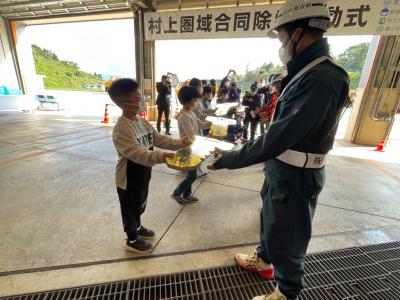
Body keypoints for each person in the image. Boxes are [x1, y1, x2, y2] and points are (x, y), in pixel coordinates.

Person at [208, 0, 350, 299]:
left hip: (297, 175)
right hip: (282, 169)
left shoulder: (321, 78)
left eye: (282, 37)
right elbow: (285, 129)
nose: (281, 44)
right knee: (271, 222)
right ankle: (263, 260)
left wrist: (229, 159)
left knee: (288, 236)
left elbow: (277, 138)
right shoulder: (306, 71)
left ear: (299, 34)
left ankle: (286, 291)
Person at [108, 78, 190, 254]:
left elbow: (157, 138)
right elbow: (137, 154)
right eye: (138, 98)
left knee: (140, 203)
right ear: (125, 104)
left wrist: (179, 143)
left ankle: (137, 228)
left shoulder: (141, 121)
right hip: (129, 176)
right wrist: (161, 156)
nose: (142, 101)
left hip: (144, 171)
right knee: (129, 208)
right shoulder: (122, 129)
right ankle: (131, 239)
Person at [171, 86, 211, 204]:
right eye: (195, 100)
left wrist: (214, 123)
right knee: (192, 175)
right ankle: (176, 193)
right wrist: (206, 142)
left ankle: (187, 194)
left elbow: (202, 125)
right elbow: (191, 136)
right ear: (188, 101)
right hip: (188, 149)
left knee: (191, 174)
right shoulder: (184, 116)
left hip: (195, 147)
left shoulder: (191, 113)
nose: (196, 102)